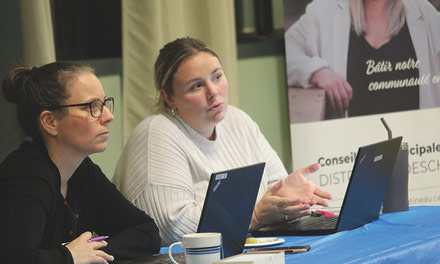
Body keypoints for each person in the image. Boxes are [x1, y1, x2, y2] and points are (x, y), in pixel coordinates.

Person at [112, 37, 333, 245]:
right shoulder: (157, 133)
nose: (213, 92)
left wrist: (286, 195)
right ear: (168, 97)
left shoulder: (237, 120)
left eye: (217, 77)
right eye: (196, 86)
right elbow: (170, 229)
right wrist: (254, 216)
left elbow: (271, 189)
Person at [0, 62, 161, 264]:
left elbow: (146, 232)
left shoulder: (81, 170)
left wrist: (90, 253)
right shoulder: (26, 175)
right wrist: (70, 256)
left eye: (104, 104)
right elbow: (15, 259)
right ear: (50, 122)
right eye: (91, 107)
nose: (108, 116)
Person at [285, 0, 440, 118]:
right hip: (347, 153)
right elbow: (287, 49)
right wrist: (317, 72)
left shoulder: (425, 13)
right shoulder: (324, 10)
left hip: (417, 150)